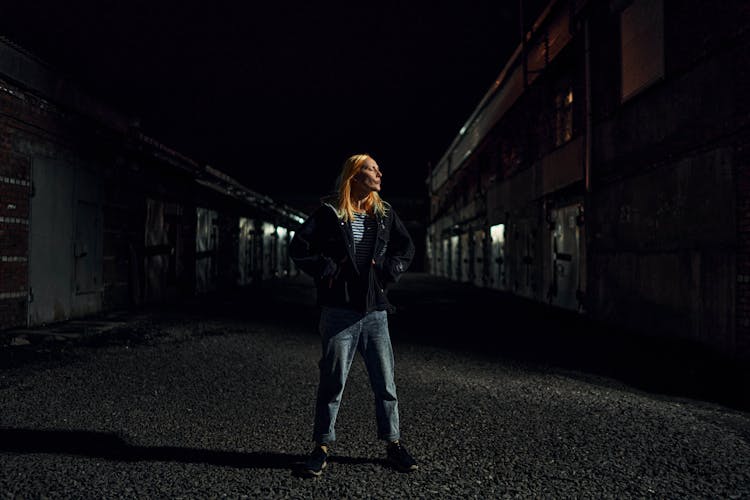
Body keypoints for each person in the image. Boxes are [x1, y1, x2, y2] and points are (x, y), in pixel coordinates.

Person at [289, 153, 418, 477]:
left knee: (385, 383)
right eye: (372, 169)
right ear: (355, 176)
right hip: (338, 312)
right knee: (332, 383)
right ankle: (321, 446)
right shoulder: (331, 212)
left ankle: (393, 444)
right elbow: (299, 247)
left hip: (375, 312)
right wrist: (326, 268)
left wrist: (389, 271)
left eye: (377, 168)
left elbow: (407, 248)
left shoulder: (384, 213)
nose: (379, 173)